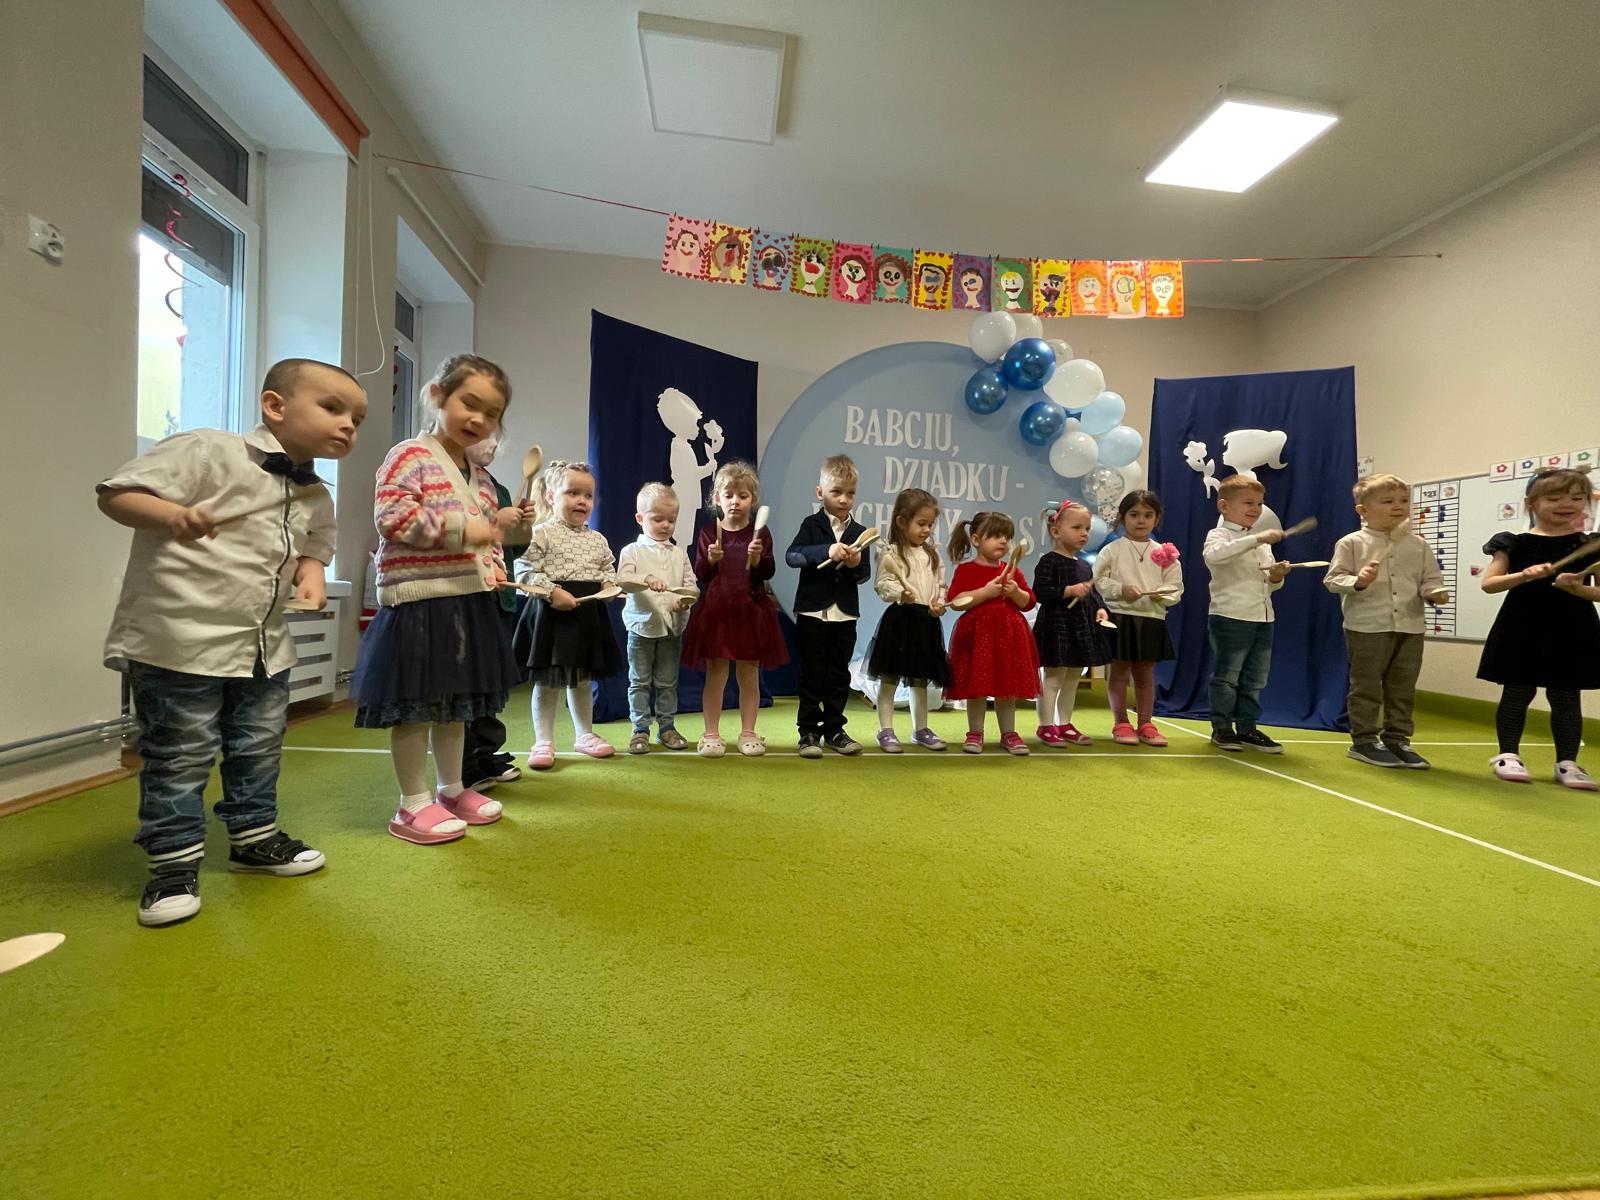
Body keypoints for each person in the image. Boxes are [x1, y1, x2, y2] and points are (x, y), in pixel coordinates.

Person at [99, 358, 367, 925]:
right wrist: (171, 514)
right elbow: (116, 494)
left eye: (357, 419)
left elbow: (316, 544)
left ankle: (253, 839)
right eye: (333, 407)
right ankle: (172, 864)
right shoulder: (206, 450)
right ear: (275, 406)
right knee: (180, 753)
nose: (348, 424)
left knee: (259, 745)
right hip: (180, 641)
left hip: (265, 645)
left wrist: (312, 573)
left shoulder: (315, 493)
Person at [352, 354, 524, 845]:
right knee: (416, 706)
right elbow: (393, 519)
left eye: (491, 413)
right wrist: (468, 529)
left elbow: (486, 538)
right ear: (436, 396)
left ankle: (451, 790)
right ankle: (412, 803)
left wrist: (499, 543)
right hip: (418, 602)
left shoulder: (480, 475)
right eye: (469, 403)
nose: (479, 419)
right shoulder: (409, 455)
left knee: (455, 706)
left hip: (467, 602)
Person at [1477, 467, 1600, 789]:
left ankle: (1567, 763)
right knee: (1517, 691)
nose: (1566, 504)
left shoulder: (1590, 543)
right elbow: (1489, 584)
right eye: (1554, 498)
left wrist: (1577, 589)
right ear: (1531, 503)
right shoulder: (1513, 543)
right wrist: (1524, 575)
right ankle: (1508, 755)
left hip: (1573, 629)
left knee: (1566, 696)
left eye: (1577, 498)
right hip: (1522, 625)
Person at [1323, 473, 1448, 769]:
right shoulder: (1351, 543)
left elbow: (1430, 579)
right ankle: (1364, 740)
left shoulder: (1418, 545)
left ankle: (1398, 739)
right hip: (1367, 627)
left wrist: (1434, 592)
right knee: (1366, 685)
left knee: (1403, 686)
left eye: (1404, 500)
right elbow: (1332, 580)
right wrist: (1359, 580)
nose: (1399, 506)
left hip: (1410, 626)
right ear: (1363, 510)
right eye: (1388, 501)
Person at [514, 461, 623, 768]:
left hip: (587, 616)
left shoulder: (597, 539)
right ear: (551, 496)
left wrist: (609, 585)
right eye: (572, 493)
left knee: (583, 680)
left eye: (588, 495)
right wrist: (552, 592)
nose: (581, 501)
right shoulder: (540, 533)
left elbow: (607, 569)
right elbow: (523, 570)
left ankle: (584, 734)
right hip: (552, 615)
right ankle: (543, 741)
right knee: (547, 682)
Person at [681, 461, 789, 757]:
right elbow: (701, 574)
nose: (735, 501)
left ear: (752, 500)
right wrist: (711, 559)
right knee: (716, 672)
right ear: (717, 499)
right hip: (717, 614)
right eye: (728, 495)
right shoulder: (708, 532)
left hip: (751, 612)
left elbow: (767, 571)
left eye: (742, 496)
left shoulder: (760, 534)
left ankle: (749, 732)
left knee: (749, 673)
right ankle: (711, 734)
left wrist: (757, 558)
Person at [785, 454, 871, 757]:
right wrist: (827, 550)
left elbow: (863, 575)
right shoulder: (811, 525)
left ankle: (835, 729)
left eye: (850, 493)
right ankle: (808, 732)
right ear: (820, 492)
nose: (844, 499)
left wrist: (855, 563)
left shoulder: (860, 531)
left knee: (838, 675)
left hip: (844, 615)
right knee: (812, 674)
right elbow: (792, 556)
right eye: (837, 492)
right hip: (812, 612)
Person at [1202, 475, 1290, 752]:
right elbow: (1215, 556)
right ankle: (1222, 728)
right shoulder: (1219, 535)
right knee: (1227, 677)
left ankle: (1247, 727)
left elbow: (1270, 584)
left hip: (1263, 618)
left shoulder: (1262, 545)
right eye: (1248, 503)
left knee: (1255, 679)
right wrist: (1256, 538)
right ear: (1224, 506)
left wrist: (1276, 576)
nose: (1256, 509)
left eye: (1260, 504)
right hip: (1230, 616)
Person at [462, 448, 531, 790]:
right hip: (466, 596)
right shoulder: (452, 482)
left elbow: (512, 549)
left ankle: (484, 753)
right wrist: (495, 523)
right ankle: (464, 763)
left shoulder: (498, 489)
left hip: (499, 598)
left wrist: (523, 526)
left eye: (495, 434)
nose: (490, 443)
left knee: (491, 682)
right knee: (466, 684)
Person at [1093, 490, 1183, 747]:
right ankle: (1120, 722)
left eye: (1147, 515)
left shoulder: (1165, 553)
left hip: (1152, 618)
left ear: (1156, 519)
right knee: (1120, 671)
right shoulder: (1112, 550)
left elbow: (1176, 587)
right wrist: (1121, 589)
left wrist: (1161, 595)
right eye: (1134, 515)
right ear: (1123, 518)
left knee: (1144, 673)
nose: (1141, 520)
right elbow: (1098, 580)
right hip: (1120, 617)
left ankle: (1146, 723)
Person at [945, 511, 1039, 755]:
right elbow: (955, 601)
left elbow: (1028, 603)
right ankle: (975, 732)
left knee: (1006, 688)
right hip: (977, 638)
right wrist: (985, 592)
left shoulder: (1013, 571)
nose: (1003, 541)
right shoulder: (966, 570)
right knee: (976, 688)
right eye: (996, 536)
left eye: (1007, 537)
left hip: (1008, 637)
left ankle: (1009, 733)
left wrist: (1015, 591)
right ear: (976, 540)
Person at [865, 487, 950, 752]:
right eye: (921, 523)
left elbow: (940, 584)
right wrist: (900, 592)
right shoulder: (891, 552)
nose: (926, 530)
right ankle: (885, 729)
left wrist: (939, 602)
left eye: (930, 525)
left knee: (920, 679)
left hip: (926, 622)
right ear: (902, 522)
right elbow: (883, 584)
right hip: (900, 621)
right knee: (889, 677)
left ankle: (920, 729)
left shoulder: (932, 554)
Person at [617, 482, 697, 754]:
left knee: (667, 683)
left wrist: (684, 601)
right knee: (639, 681)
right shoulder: (632, 551)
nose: (665, 525)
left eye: (671, 520)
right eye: (658, 519)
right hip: (641, 627)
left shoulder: (679, 553)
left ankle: (667, 728)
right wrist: (646, 579)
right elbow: (623, 580)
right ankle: (640, 730)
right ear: (640, 519)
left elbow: (691, 587)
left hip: (672, 629)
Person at [1032, 500, 1112, 747]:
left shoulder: (1083, 565)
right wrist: (1068, 590)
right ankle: (1046, 726)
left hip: (1079, 628)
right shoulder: (1049, 561)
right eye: (1077, 528)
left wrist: (1100, 609)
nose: (1084, 533)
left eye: (1087, 528)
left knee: (1073, 679)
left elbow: (1092, 594)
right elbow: (1040, 592)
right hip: (1057, 627)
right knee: (1053, 678)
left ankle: (1064, 723)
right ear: (1056, 531)